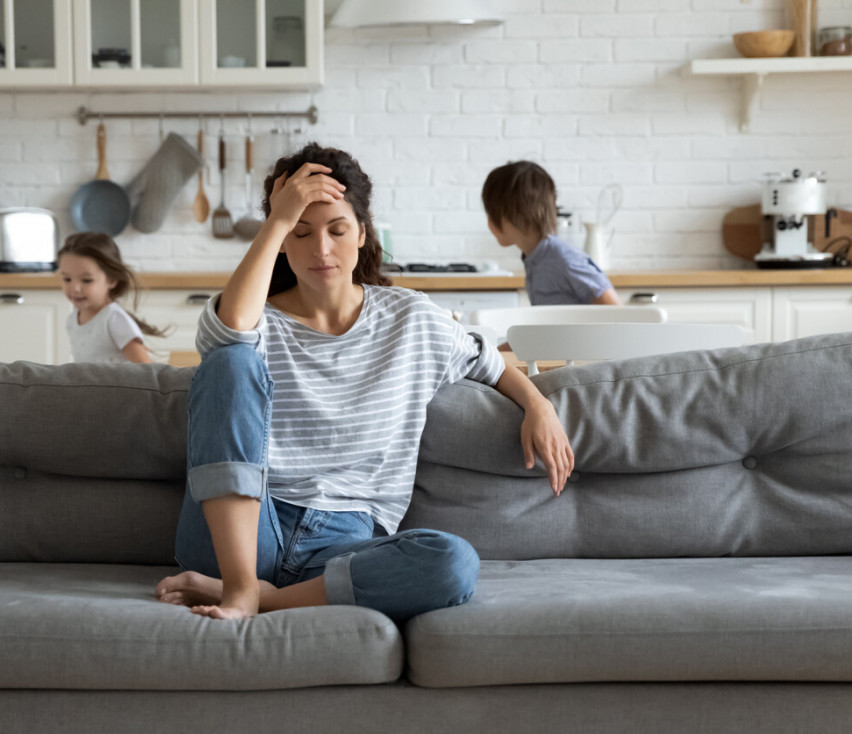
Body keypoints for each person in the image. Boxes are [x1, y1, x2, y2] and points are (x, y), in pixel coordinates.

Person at [155, 144, 574, 622]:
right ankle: (240, 581)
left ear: (361, 234)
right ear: (282, 240)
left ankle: (255, 597)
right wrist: (276, 217)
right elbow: (228, 332)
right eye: (300, 231)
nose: (321, 250)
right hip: (242, 527)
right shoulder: (255, 320)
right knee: (229, 361)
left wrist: (539, 405)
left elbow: (492, 365)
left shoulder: (410, 319)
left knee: (453, 562)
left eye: (337, 230)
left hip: (343, 543)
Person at [482, 161, 621, 306]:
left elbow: (616, 312)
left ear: (517, 214)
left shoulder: (564, 259)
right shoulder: (534, 258)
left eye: (491, 214)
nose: (489, 222)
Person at [56, 232, 165, 364]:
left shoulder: (114, 319)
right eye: (67, 279)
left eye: (86, 280)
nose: (75, 288)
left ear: (111, 279)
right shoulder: (73, 319)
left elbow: (147, 368)